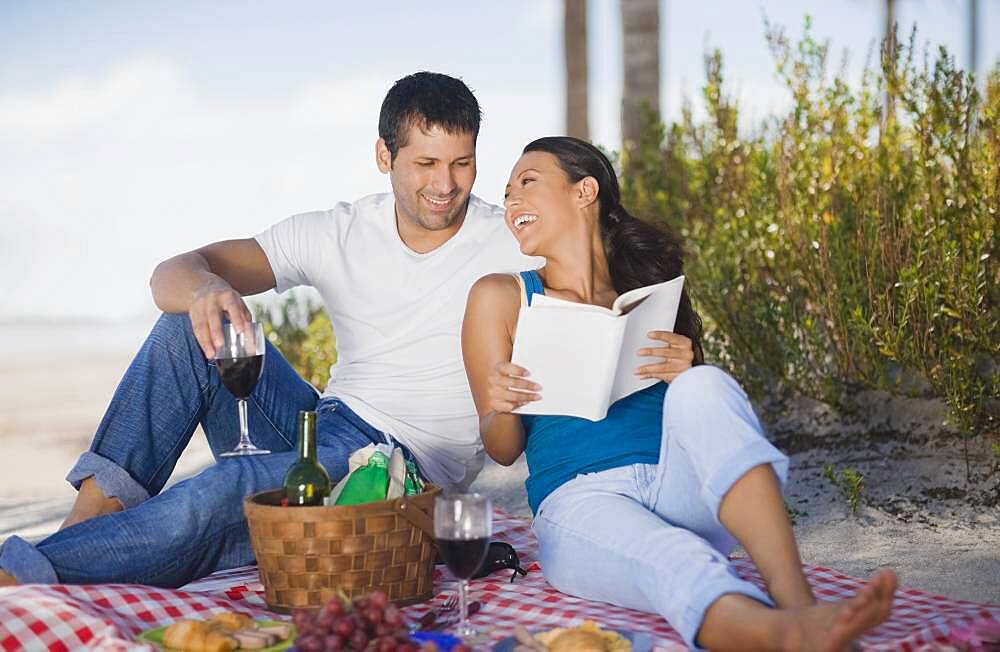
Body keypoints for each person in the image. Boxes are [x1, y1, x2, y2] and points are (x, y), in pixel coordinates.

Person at [0, 72, 538, 588]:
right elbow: (174, 272)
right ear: (384, 156)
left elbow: (602, 278)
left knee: (225, 488)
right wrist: (205, 291)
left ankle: (24, 572)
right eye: (425, 163)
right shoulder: (341, 230)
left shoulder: (507, 243)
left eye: (461, 163)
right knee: (184, 326)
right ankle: (84, 524)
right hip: (319, 423)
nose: (445, 184)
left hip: (399, 472)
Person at [461, 136, 897, 650]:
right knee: (676, 558)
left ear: (585, 191)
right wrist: (504, 403)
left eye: (527, 183)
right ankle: (787, 635)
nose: (511, 201)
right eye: (507, 191)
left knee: (705, 383)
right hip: (583, 500)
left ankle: (797, 599)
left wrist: (683, 371)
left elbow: (708, 423)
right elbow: (502, 448)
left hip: (681, 486)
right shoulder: (501, 295)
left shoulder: (650, 289)